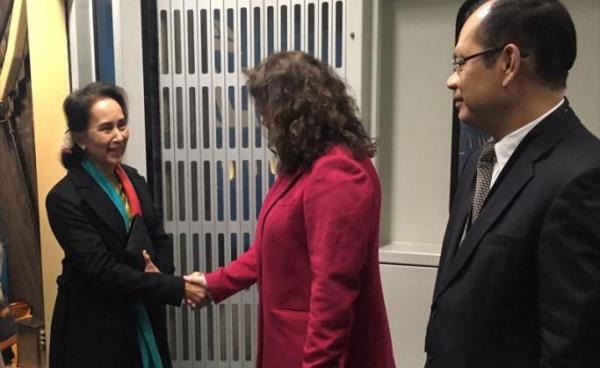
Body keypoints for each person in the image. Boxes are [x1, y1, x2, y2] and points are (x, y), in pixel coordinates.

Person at [184, 51, 396, 368]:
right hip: (289, 347)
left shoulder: (337, 171)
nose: (264, 122)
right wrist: (214, 284)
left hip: (315, 355)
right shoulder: (304, 164)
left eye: (266, 110)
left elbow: (332, 292)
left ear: (291, 110)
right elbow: (272, 248)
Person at [425, 1, 600, 367]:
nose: (451, 79)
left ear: (508, 63)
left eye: (461, 62)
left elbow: (571, 350)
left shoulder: (582, 176)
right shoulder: (480, 162)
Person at [46, 82, 208, 368]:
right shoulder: (64, 198)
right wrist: (172, 286)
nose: (119, 136)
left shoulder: (133, 178)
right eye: (106, 128)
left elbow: (159, 237)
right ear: (81, 138)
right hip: (95, 327)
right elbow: (101, 270)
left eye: (122, 125)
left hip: (141, 309)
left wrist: (161, 270)